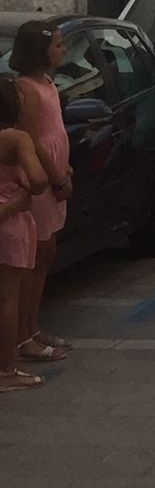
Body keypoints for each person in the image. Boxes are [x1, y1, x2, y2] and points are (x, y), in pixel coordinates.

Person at [10, 20, 73, 364]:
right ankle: (21, 335)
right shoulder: (27, 89)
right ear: (41, 51)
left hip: (56, 173)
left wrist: (66, 169)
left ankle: (31, 326)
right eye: (58, 45)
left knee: (46, 253)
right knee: (34, 254)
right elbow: (33, 139)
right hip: (43, 179)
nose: (63, 50)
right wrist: (55, 177)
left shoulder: (48, 84)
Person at [0, 74, 47, 392]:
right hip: (10, 222)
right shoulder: (16, 139)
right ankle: (6, 369)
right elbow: (39, 179)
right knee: (8, 297)